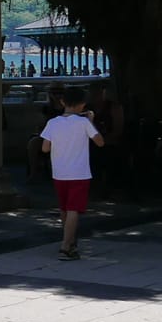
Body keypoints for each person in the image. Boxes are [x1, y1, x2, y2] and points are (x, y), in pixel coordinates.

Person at [41, 87, 104, 260]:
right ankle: (66, 245)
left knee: (64, 208)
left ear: (62, 102)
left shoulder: (53, 123)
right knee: (74, 209)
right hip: (79, 172)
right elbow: (100, 142)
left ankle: (70, 241)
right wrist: (91, 121)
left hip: (59, 172)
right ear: (83, 104)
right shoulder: (83, 123)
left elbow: (45, 148)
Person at [27, 86, 67, 180]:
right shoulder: (46, 109)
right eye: (54, 93)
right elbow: (42, 125)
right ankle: (33, 172)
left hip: (65, 137)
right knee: (33, 143)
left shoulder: (68, 109)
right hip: (49, 137)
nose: (57, 96)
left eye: (59, 93)